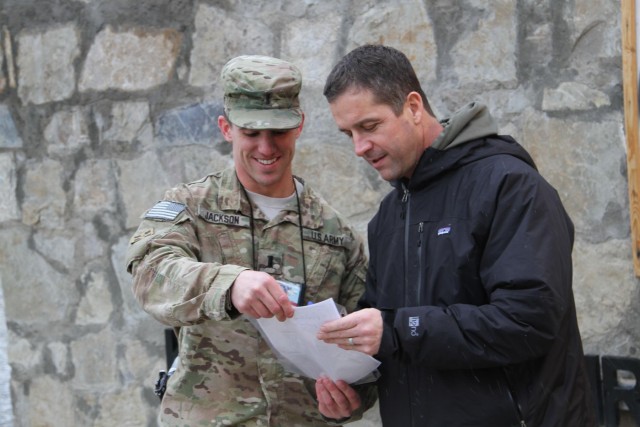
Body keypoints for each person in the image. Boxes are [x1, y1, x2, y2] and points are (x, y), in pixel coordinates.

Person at [316, 44, 597, 427]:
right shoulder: (387, 217)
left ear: (413, 107)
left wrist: (400, 329)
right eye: (348, 133)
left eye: (369, 126)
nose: (359, 148)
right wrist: (352, 393)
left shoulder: (510, 186)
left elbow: (529, 321)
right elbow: (386, 336)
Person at [125, 55, 374, 426]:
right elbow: (150, 273)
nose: (266, 147)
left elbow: (363, 352)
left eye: (278, 132)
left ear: (299, 126)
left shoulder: (337, 235)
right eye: (251, 133)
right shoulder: (189, 207)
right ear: (226, 128)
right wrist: (228, 284)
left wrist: (353, 401)